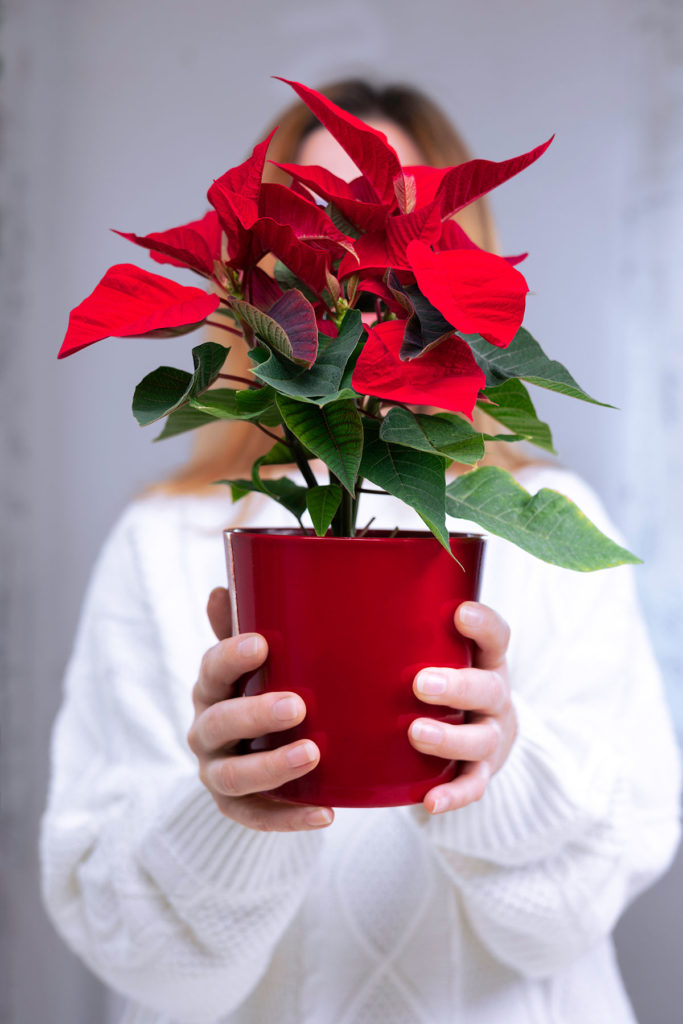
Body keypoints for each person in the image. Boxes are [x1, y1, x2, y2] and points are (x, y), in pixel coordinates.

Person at [41, 80, 681, 1024]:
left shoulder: (543, 523)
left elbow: (573, 917)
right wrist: (225, 809)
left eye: (379, 216)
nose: (345, 247)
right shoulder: (162, 544)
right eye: (311, 216)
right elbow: (141, 961)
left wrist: (497, 768)